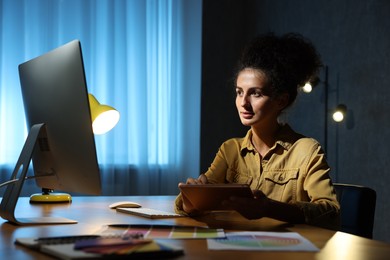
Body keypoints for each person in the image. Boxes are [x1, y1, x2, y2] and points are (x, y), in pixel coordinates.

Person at [174, 32, 340, 230]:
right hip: (236, 246)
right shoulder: (230, 150)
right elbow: (186, 207)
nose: (243, 103)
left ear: (281, 100)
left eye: (256, 93)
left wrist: (269, 208)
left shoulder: (306, 150)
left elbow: (331, 212)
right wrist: (192, 197)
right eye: (239, 92)